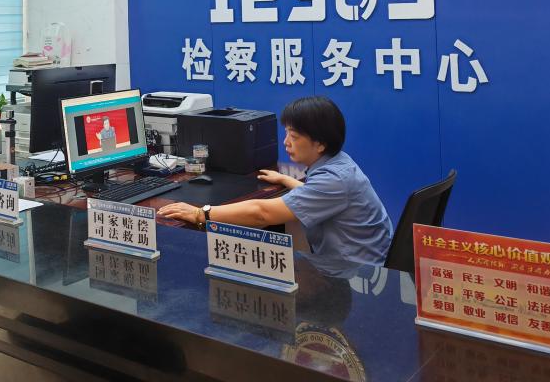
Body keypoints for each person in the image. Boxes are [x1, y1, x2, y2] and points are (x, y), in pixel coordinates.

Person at [158, 96, 393, 266]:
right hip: (355, 260)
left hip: (355, 272)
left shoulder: (334, 180)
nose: (286, 142)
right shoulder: (339, 163)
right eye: (287, 133)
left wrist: (201, 214)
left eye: (295, 136)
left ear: (320, 144)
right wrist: (285, 179)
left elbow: (262, 214)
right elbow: (314, 195)